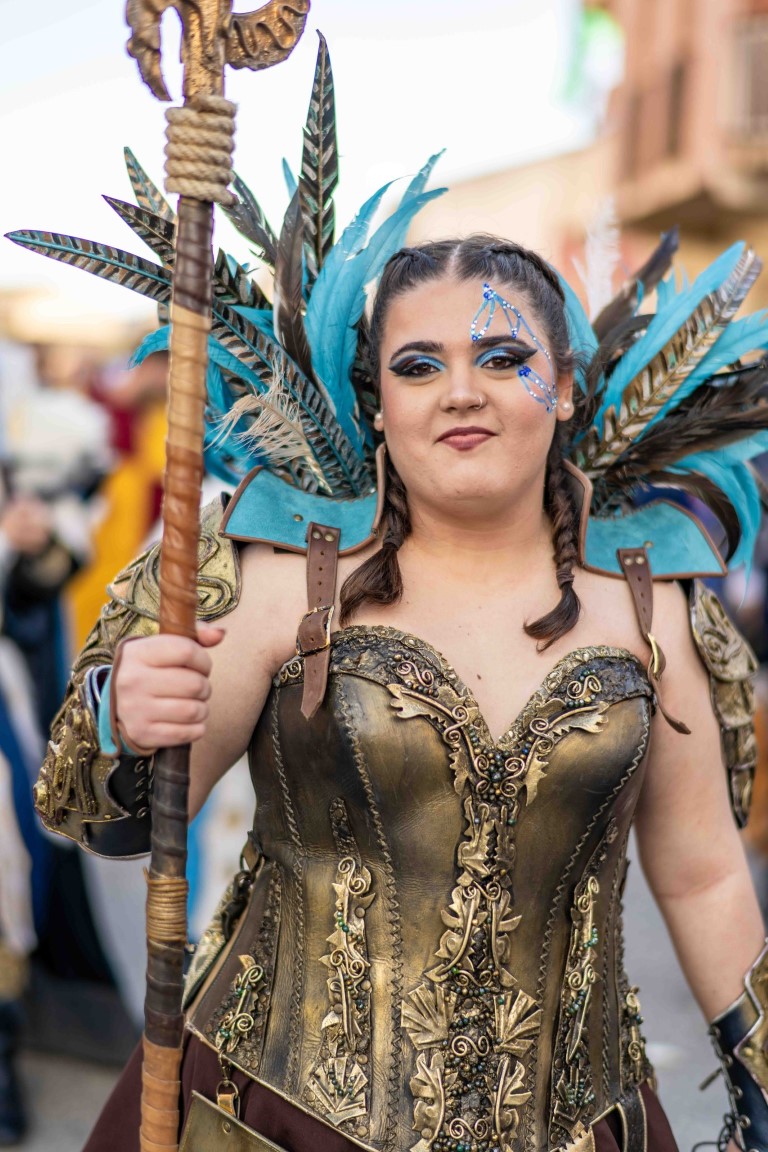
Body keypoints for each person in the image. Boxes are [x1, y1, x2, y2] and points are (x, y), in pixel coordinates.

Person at [16, 38, 768, 1152]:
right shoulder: (278, 571)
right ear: (377, 404)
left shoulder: (652, 600)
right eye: (419, 366)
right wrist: (125, 714)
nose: (461, 391)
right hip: (269, 1115)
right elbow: (106, 815)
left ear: (565, 389)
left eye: (503, 358)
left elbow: (703, 877)